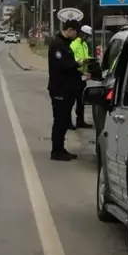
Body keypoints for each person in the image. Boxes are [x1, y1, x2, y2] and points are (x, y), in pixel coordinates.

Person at [47, 18, 82, 161]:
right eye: (76, 32)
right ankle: (56, 151)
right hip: (59, 89)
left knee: (64, 121)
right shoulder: (57, 45)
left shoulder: (65, 45)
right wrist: (76, 64)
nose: (77, 36)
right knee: (60, 120)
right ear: (70, 30)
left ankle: (61, 148)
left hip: (67, 89)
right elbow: (62, 65)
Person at [71, 24, 94, 130]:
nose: (88, 38)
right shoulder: (74, 44)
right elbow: (73, 59)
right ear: (82, 34)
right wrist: (82, 61)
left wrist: (91, 59)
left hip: (83, 76)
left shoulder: (84, 44)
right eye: (87, 35)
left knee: (81, 100)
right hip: (75, 75)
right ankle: (68, 122)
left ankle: (80, 120)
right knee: (71, 100)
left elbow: (85, 56)